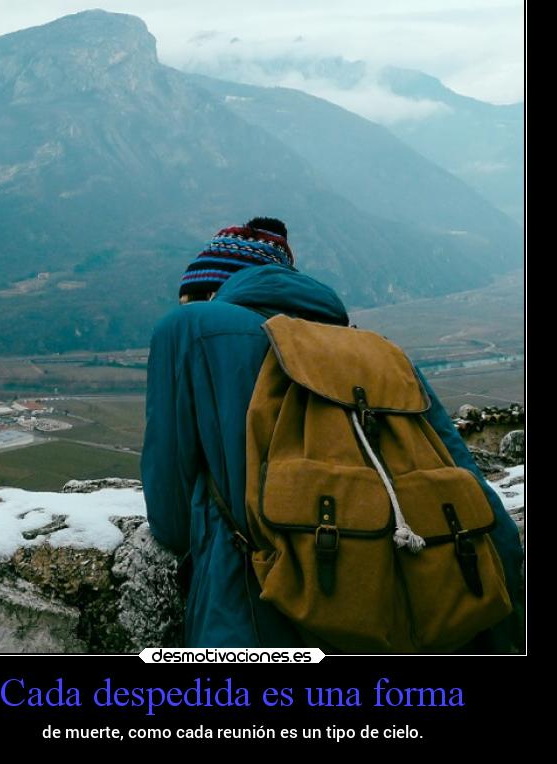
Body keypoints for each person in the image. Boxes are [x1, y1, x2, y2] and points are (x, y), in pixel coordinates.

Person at [141, 217, 523, 650]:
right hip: (439, 606)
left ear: (211, 290)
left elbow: (171, 516)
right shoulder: (379, 350)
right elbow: (467, 479)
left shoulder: (192, 328)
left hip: (260, 612)